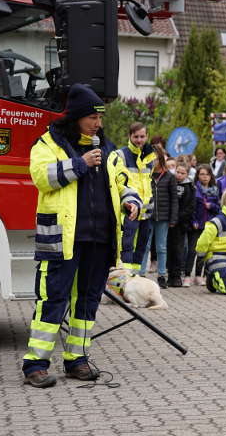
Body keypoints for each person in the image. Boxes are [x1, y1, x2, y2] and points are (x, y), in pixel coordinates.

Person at [23, 83, 141, 388]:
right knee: (53, 300)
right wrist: (80, 163)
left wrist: (132, 201)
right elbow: (41, 177)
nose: (99, 124)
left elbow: (123, 182)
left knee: (87, 302)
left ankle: (77, 359)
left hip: (99, 240)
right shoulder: (48, 143)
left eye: (100, 118)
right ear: (77, 117)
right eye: (93, 118)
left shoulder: (108, 149)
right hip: (62, 239)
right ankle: (35, 364)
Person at [114, 122, 156, 273]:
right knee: (126, 248)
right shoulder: (121, 155)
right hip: (129, 210)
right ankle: (124, 281)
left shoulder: (151, 156)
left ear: (147, 136)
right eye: (136, 136)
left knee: (141, 249)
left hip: (146, 211)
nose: (139, 140)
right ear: (129, 136)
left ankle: (135, 279)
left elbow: (149, 182)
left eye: (142, 136)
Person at [140, 154, 178, 288]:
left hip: (163, 217)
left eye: (155, 159)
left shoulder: (169, 177)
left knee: (161, 247)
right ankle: (141, 274)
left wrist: (173, 218)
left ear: (161, 160)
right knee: (145, 246)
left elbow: (174, 199)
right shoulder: (145, 174)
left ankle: (161, 276)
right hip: (147, 215)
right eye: (150, 159)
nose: (152, 162)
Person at [168, 162, 195, 287]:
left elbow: (190, 206)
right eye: (177, 172)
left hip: (181, 224)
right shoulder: (171, 183)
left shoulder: (189, 187)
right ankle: (170, 274)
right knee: (169, 249)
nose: (179, 175)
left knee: (178, 250)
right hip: (169, 221)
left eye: (182, 173)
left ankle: (177, 275)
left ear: (187, 174)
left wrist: (178, 218)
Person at [192, 164, 220, 286]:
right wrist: (194, 221)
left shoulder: (215, 189)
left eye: (207, 174)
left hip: (211, 225)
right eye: (202, 174)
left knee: (210, 251)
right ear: (198, 175)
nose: (205, 177)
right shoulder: (194, 189)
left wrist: (211, 206)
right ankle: (197, 275)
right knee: (199, 251)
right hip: (199, 224)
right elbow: (192, 207)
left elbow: (219, 207)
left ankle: (206, 275)